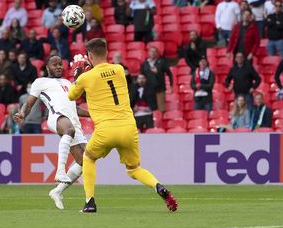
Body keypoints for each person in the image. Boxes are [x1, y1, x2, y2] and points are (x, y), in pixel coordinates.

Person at [68, 38, 178, 213]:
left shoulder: (86, 78)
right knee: (134, 169)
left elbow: (71, 96)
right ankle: (158, 187)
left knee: (88, 158)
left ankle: (90, 202)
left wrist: (77, 75)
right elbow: (103, 77)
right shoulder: (119, 69)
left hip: (105, 130)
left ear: (89, 56)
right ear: (106, 53)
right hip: (128, 128)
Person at [13, 55, 90, 210]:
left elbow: (73, 107)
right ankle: (59, 171)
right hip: (56, 117)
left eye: (60, 64)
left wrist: (92, 114)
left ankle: (57, 191)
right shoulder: (40, 82)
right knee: (68, 129)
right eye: (54, 64)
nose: (58, 67)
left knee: (86, 161)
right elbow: (29, 103)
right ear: (47, 67)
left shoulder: (68, 83)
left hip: (73, 121)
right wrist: (22, 113)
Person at [141, 47, 174, 112]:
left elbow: (169, 73)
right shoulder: (144, 64)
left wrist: (171, 85)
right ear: (148, 53)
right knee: (151, 108)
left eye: (154, 51)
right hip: (149, 90)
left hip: (160, 89)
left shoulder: (162, 62)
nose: (153, 53)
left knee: (161, 108)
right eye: (151, 51)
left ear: (157, 53)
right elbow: (142, 76)